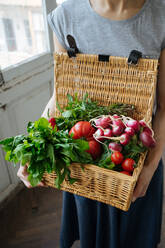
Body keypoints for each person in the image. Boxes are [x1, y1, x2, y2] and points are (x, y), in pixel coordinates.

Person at [17, 0, 165, 247]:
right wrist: (35, 146)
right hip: (85, 165)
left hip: (138, 165)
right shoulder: (65, 17)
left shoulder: (160, 16)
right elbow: (60, 97)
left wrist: (148, 168)